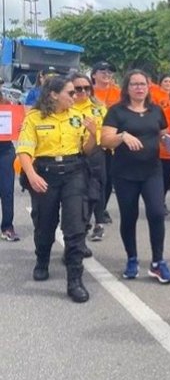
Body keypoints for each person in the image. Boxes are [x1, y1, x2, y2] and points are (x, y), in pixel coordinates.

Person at [17, 75, 98, 303]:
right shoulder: (34, 118)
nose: (76, 96)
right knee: (45, 223)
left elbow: (88, 150)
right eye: (71, 93)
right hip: (45, 173)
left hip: (74, 172)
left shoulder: (78, 117)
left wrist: (92, 134)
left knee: (75, 227)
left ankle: (74, 281)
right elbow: (24, 150)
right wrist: (32, 175)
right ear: (54, 94)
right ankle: (42, 259)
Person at [101, 70, 170, 284]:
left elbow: (163, 132)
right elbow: (105, 140)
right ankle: (132, 258)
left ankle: (158, 262)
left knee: (156, 212)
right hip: (125, 173)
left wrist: (167, 140)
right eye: (134, 84)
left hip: (152, 170)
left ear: (148, 87)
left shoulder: (156, 110)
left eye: (143, 84)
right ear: (127, 88)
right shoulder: (117, 111)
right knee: (129, 216)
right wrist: (123, 136)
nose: (139, 88)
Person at [70, 73, 108, 245]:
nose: (83, 92)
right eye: (78, 88)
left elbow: (107, 130)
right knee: (76, 197)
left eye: (87, 88)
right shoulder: (65, 107)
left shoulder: (99, 108)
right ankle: (76, 236)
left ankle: (97, 223)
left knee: (95, 192)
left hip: (95, 154)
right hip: (73, 156)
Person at [92, 61, 120, 225]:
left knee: (109, 179)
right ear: (94, 74)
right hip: (92, 143)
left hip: (112, 143)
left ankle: (102, 208)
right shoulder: (86, 91)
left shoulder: (118, 93)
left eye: (110, 71)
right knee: (94, 178)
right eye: (102, 70)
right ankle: (92, 208)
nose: (107, 73)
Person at [0, 90, 17, 241]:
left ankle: (7, 226)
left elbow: (17, 125)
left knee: (7, 190)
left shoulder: (7, 105)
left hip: (4, 150)